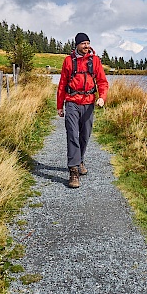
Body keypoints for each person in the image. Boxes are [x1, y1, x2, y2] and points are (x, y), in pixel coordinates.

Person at [57, 33, 109, 188]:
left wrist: (102, 97)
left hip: (89, 103)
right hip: (72, 102)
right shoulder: (68, 61)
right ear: (77, 45)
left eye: (88, 43)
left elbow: (102, 82)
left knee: (85, 135)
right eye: (83, 43)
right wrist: (60, 106)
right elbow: (62, 84)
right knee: (72, 134)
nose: (86, 46)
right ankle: (73, 172)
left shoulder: (95, 61)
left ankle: (79, 160)